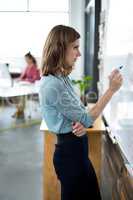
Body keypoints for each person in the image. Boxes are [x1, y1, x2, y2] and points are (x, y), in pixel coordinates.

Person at [39, 25, 123, 200]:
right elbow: (85, 117)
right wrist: (111, 90)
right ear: (60, 49)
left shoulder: (61, 78)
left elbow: (80, 115)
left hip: (77, 151)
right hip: (70, 156)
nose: (79, 54)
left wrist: (81, 125)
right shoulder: (53, 85)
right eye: (75, 47)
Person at [12, 52, 40, 118]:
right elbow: (23, 76)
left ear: (31, 59)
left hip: (32, 85)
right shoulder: (27, 66)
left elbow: (35, 79)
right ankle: (19, 109)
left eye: (27, 59)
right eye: (25, 59)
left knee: (21, 93)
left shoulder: (34, 67)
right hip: (26, 84)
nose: (26, 60)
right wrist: (18, 79)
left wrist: (25, 80)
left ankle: (20, 111)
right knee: (16, 93)